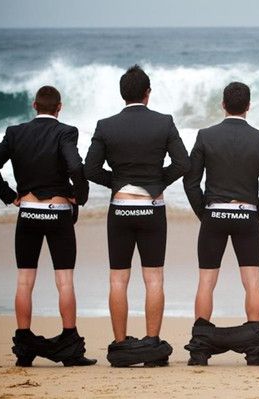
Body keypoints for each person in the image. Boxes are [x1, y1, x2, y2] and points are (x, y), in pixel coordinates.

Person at [0, 85, 96, 367]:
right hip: (58, 213)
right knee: (64, 280)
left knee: (24, 280)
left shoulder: (15, 133)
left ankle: (24, 347)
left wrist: (10, 196)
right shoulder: (66, 131)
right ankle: (71, 347)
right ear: (59, 107)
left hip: (29, 213)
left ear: (34, 106)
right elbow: (76, 167)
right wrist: (77, 196)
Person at [84, 65, 189, 367]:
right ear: (147, 94)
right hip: (152, 208)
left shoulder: (105, 125)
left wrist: (118, 184)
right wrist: (157, 183)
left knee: (118, 278)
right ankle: (152, 343)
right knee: (153, 277)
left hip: (120, 208)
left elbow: (90, 170)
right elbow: (182, 164)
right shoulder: (163, 122)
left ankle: (119, 346)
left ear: (122, 94)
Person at [183, 82, 259, 366]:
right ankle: (256, 350)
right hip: (246, 214)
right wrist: (254, 215)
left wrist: (205, 213)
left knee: (206, 281)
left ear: (223, 105)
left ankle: (199, 349)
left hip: (214, 213)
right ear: (248, 106)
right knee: (252, 282)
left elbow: (191, 182)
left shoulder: (205, 136)